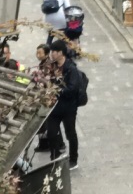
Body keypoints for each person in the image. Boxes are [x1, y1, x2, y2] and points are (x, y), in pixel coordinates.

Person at [45, 41, 82, 170]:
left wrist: (58, 91)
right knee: (51, 132)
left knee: (70, 133)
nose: (51, 54)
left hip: (68, 107)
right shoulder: (51, 67)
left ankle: (73, 159)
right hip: (54, 107)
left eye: (53, 52)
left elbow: (73, 88)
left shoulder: (71, 68)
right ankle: (54, 157)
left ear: (60, 53)